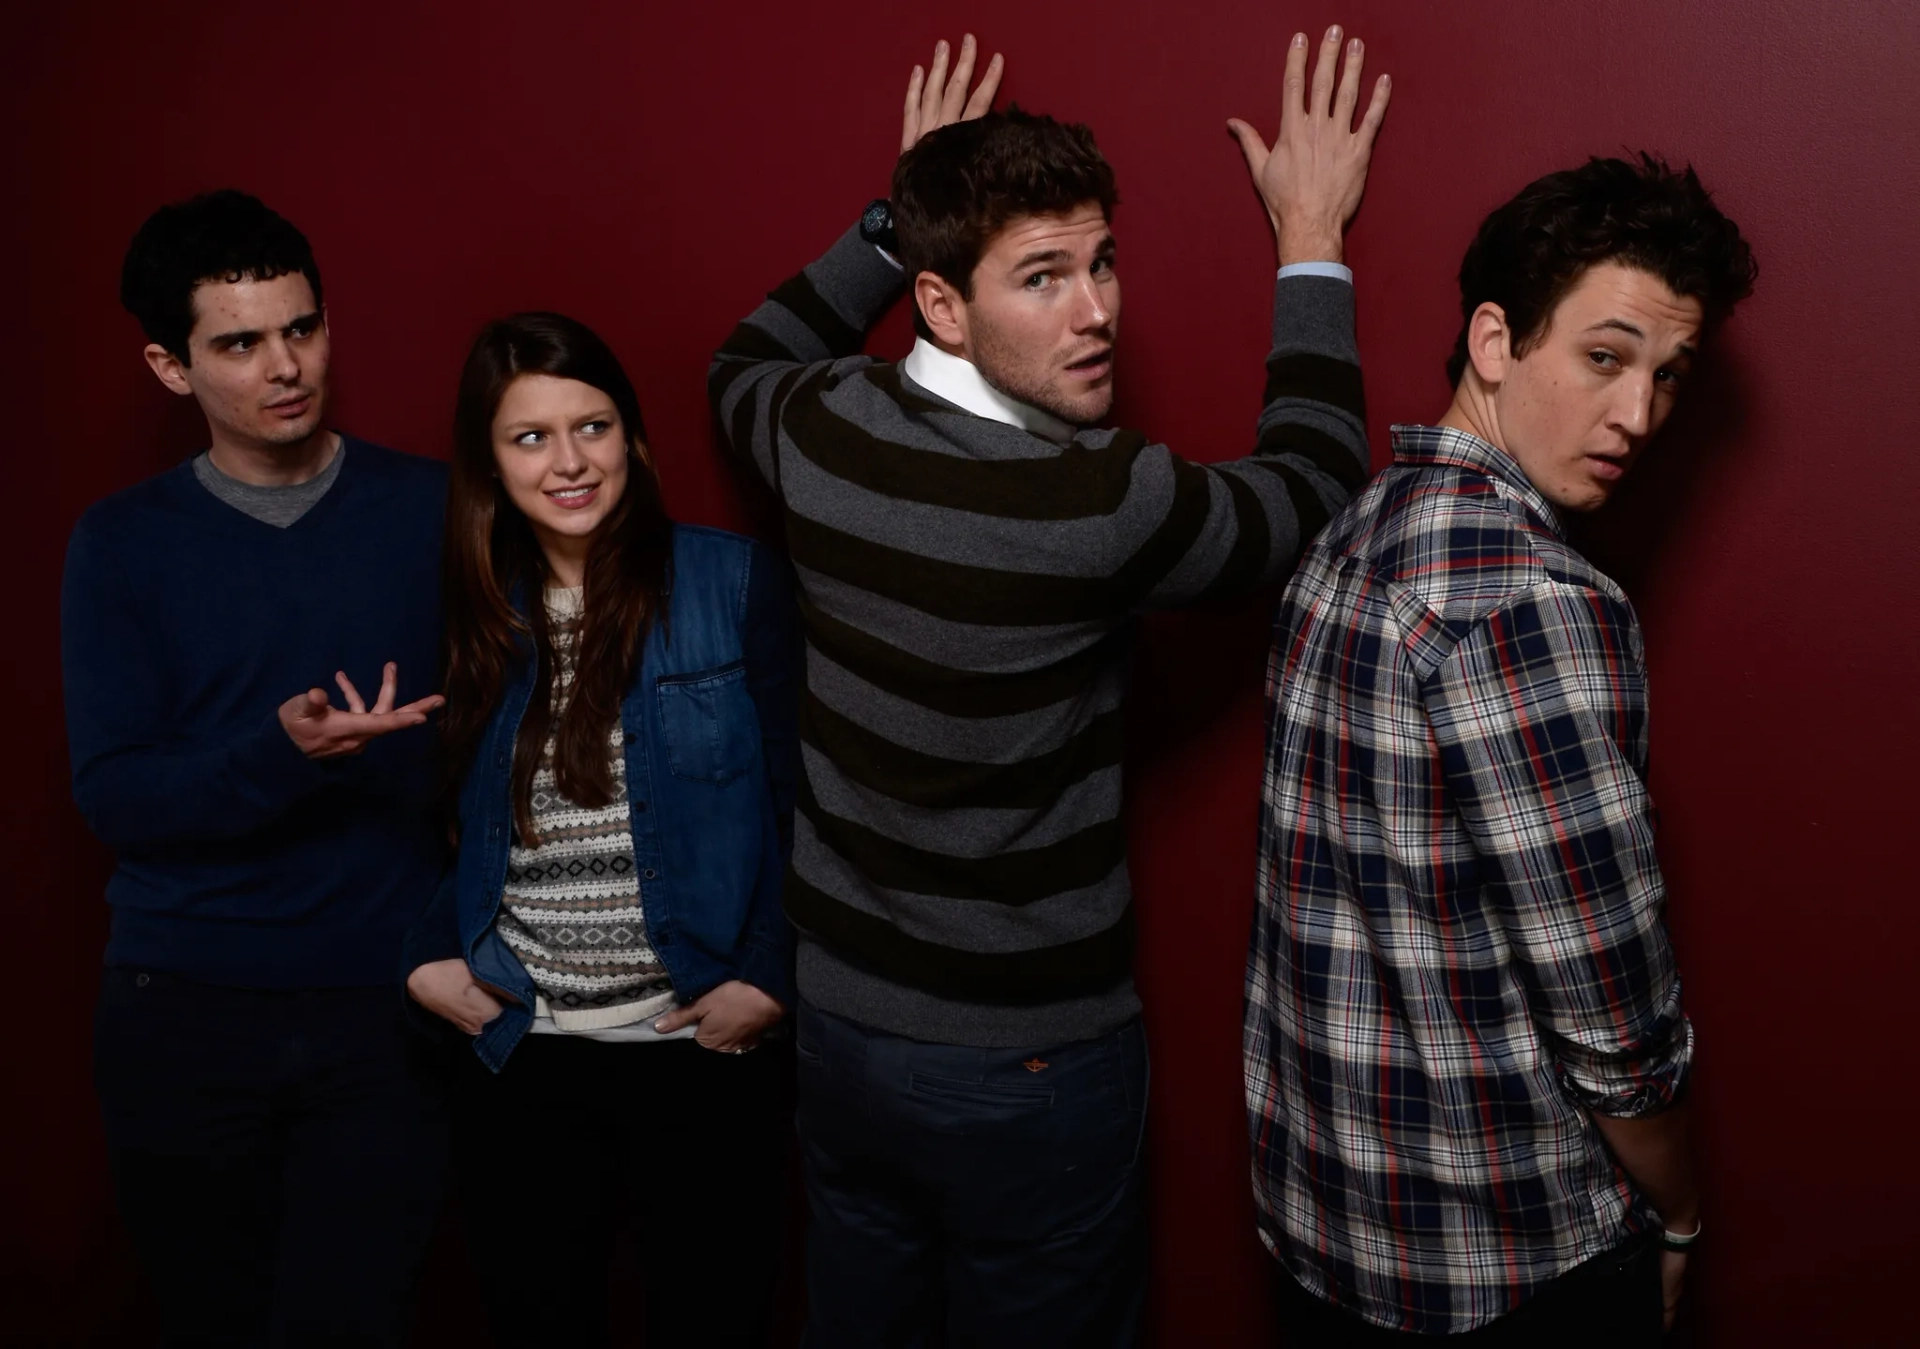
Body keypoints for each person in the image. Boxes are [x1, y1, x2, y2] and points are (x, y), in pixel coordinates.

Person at [710, 28, 1389, 1347]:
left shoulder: (819, 428)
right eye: (1042, 277)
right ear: (944, 306)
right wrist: (1311, 235)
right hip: (1026, 1065)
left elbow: (741, 359)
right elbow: (1312, 486)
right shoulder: (1105, 499)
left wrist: (896, 208)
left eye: (1102, 261)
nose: (1098, 309)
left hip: (843, 1032)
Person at [1246, 154, 1756, 1343]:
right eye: (1604, 356)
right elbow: (1611, 1016)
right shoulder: (1535, 601)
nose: (1638, 414)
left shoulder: (1352, 535)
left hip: (1322, 1226)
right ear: (1493, 340)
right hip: (1503, 1260)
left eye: (1667, 374)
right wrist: (1679, 1209)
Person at [62, 190, 451, 1346]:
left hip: (383, 1007)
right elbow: (115, 793)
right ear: (170, 367)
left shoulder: (429, 507)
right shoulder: (122, 541)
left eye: (303, 327)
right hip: (183, 1011)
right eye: (239, 342)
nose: (286, 365)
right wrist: (278, 755)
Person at [403, 311, 801, 1348]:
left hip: (698, 1049)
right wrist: (426, 951)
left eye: (593, 426)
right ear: (490, 462)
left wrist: (768, 972)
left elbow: (809, 803)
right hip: (521, 1054)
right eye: (530, 436)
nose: (570, 461)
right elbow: (415, 809)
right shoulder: (475, 613)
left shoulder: (733, 583)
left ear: (632, 436)